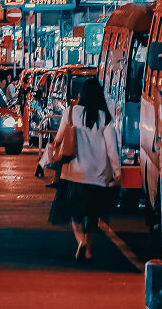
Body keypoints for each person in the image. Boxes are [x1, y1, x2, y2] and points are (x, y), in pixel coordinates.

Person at [48, 77, 121, 262]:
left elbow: (59, 138)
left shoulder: (71, 112)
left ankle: (80, 241)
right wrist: (118, 172)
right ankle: (88, 249)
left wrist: (52, 151)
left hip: (74, 173)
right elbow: (112, 149)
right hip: (98, 175)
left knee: (76, 214)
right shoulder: (104, 117)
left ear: (82, 94)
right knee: (93, 215)